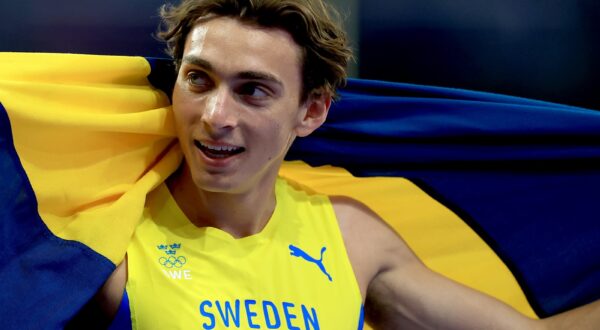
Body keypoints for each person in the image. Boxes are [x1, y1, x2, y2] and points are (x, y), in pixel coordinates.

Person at [72, 0, 600, 328]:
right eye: (199, 79)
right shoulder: (107, 234)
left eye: (252, 90)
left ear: (311, 111)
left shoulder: (351, 239)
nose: (215, 115)